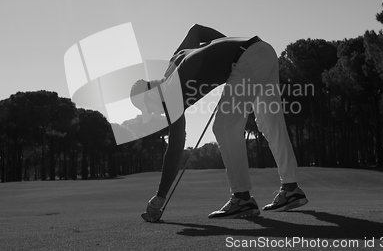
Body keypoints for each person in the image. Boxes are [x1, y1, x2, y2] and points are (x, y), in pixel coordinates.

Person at [130, 24, 308, 222]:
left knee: (223, 126)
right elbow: (197, 31)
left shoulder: (168, 94)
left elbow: (175, 148)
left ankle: (242, 199)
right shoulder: (173, 62)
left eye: (151, 108)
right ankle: (291, 189)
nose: (156, 112)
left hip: (247, 58)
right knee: (269, 123)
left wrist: (160, 197)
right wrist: (231, 51)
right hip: (262, 49)